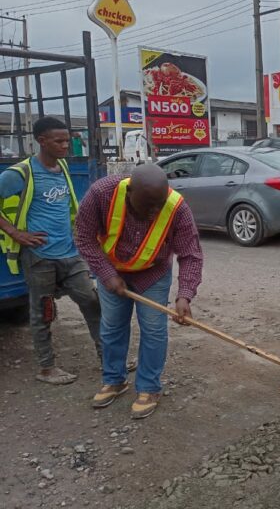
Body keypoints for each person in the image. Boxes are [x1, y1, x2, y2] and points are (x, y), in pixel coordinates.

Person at [75, 164, 203, 419]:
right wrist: (108, 274)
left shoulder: (177, 207)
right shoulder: (101, 193)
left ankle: (148, 387)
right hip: (112, 272)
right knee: (112, 327)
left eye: (159, 204)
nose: (154, 211)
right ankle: (114, 380)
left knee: (154, 330)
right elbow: (83, 237)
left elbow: (191, 254)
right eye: (148, 205)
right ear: (129, 191)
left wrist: (184, 295)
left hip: (152, 274)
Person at [0, 117, 101, 385]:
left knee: (92, 301)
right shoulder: (20, 174)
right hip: (39, 257)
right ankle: (47, 368)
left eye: (67, 140)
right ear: (41, 141)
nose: (66, 145)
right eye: (59, 141)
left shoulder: (64, 166)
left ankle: (110, 357)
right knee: (43, 311)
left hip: (69, 253)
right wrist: (15, 233)